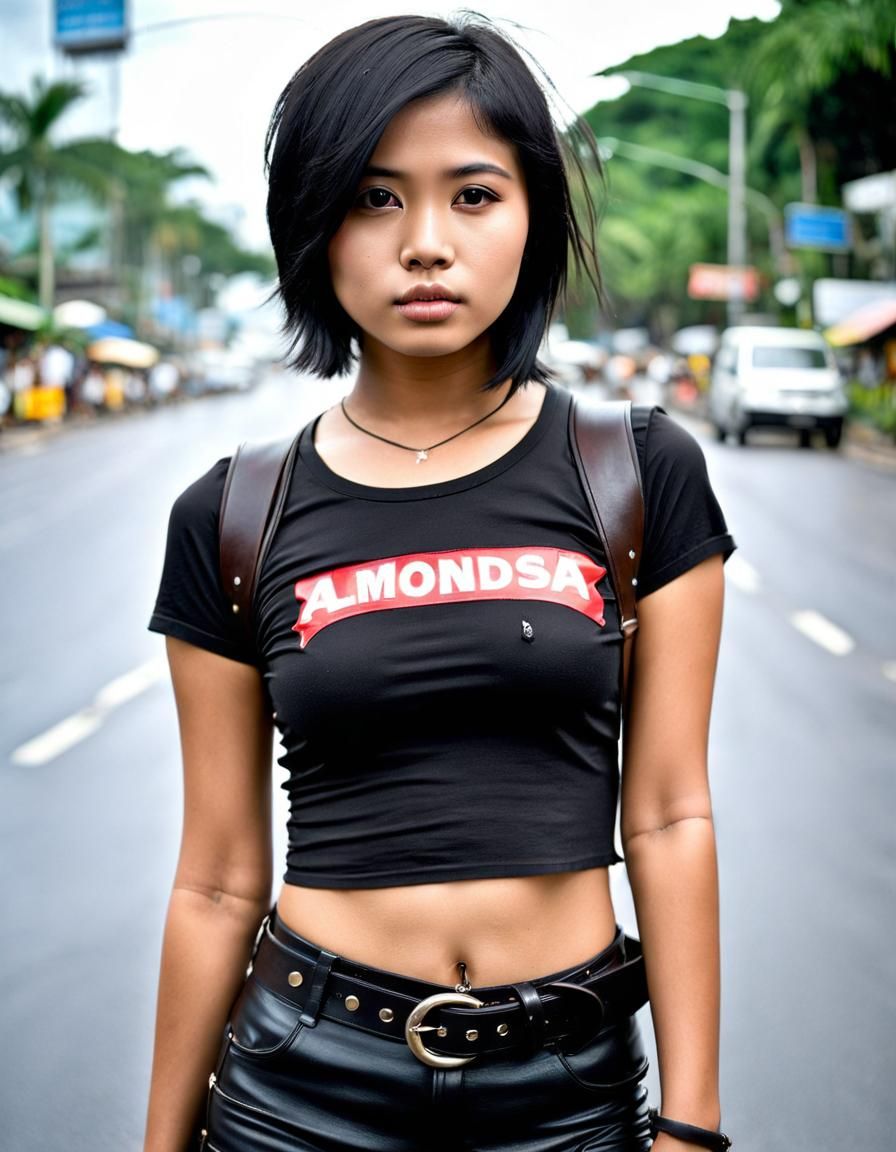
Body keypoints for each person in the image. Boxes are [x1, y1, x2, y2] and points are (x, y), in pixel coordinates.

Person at [144, 15, 735, 1152]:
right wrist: (163, 1143)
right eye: (373, 198)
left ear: (532, 218)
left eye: (472, 194)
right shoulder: (230, 516)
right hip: (302, 1084)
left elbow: (667, 814)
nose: (424, 242)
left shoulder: (634, 474)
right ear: (313, 226)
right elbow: (217, 879)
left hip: (563, 1091)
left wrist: (691, 1126)